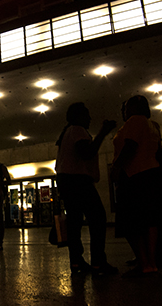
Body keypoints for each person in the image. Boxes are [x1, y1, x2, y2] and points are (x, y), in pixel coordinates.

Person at [55, 102, 117, 275]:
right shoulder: (77, 130)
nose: (90, 118)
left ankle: (76, 262)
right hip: (78, 181)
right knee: (98, 218)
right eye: (87, 114)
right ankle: (98, 262)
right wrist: (103, 133)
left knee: (74, 223)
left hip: (66, 181)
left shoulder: (66, 133)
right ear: (79, 116)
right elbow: (87, 152)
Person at [112, 95, 162, 278]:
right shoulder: (152, 125)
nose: (125, 111)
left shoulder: (134, 121)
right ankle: (151, 262)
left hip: (134, 174)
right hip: (152, 173)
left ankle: (143, 262)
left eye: (127, 106)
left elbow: (130, 146)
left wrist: (117, 167)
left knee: (132, 221)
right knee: (150, 220)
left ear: (135, 107)